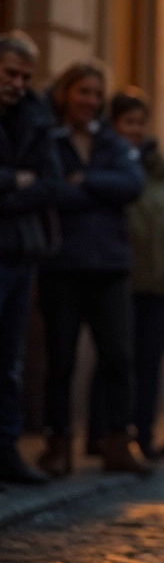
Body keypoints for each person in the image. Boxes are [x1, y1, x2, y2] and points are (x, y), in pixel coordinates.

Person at [37, 63, 149, 477]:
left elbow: (133, 184)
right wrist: (93, 189)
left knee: (119, 356)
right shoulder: (49, 136)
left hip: (110, 266)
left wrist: (84, 180)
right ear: (66, 93)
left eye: (96, 95)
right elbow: (49, 189)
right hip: (62, 265)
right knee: (61, 359)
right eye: (83, 92)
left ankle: (118, 441)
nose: (89, 101)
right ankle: (58, 444)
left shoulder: (111, 140)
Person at [86, 90, 164, 461]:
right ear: (114, 124)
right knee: (115, 358)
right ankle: (101, 432)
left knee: (149, 362)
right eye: (127, 122)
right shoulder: (106, 159)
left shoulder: (159, 167)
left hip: (160, 282)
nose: (134, 130)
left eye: (139, 123)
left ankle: (143, 434)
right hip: (119, 276)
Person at [0, 34, 58, 486]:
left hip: (22, 251)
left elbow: (50, 183)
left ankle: (6, 451)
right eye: (10, 74)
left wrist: (17, 188)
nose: (18, 84)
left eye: (25, 76)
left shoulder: (36, 116)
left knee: (10, 361)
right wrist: (16, 182)